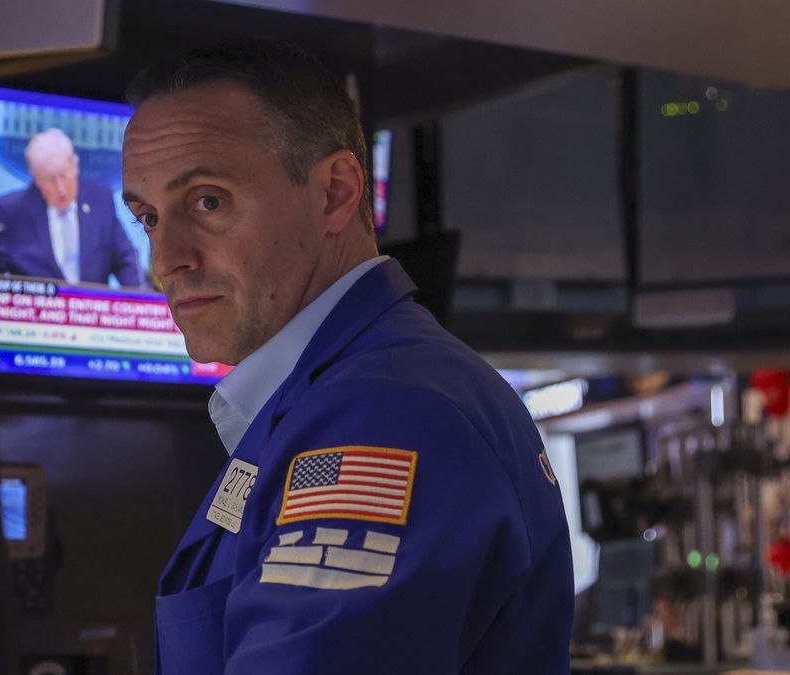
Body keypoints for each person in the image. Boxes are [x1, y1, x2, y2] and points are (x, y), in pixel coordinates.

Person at [122, 39, 573, 674]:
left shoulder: (383, 414)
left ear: (335, 192)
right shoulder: (340, 397)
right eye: (147, 218)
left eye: (208, 202)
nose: (165, 261)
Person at [0, 128, 141, 286]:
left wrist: (141, 303)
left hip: (92, 312)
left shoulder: (101, 201)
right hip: (37, 313)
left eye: (63, 175)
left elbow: (127, 260)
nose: (60, 188)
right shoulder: (11, 212)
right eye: (49, 179)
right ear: (36, 178)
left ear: (75, 166)